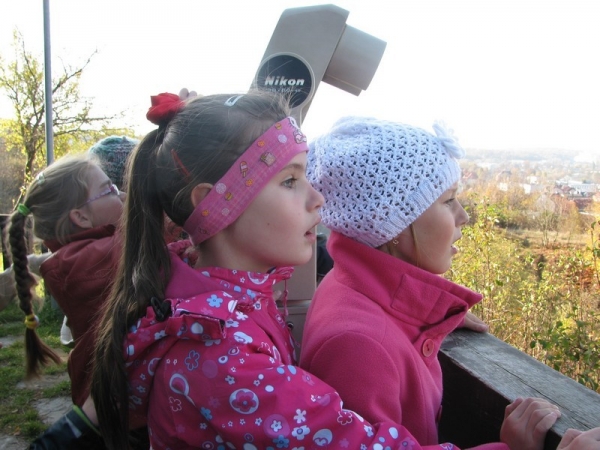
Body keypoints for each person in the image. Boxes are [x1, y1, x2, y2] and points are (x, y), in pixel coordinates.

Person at [90, 90, 563, 450]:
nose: (318, 199)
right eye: (290, 181)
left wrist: (426, 317)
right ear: (217, 204)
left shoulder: (222, 307)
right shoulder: (219, 350)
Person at [299, 116, 573, 448]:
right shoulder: (358, 347)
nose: (463, 216)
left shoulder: (347, 287)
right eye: (448, 200)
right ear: (393, 222)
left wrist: (422, 315)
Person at [8, 153, 126, 408]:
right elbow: (147, 247)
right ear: (80, 217)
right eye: (109, 190)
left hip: (113, 391)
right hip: (116, 398)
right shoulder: (86, 260)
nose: (122, 195)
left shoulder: (82, 253)